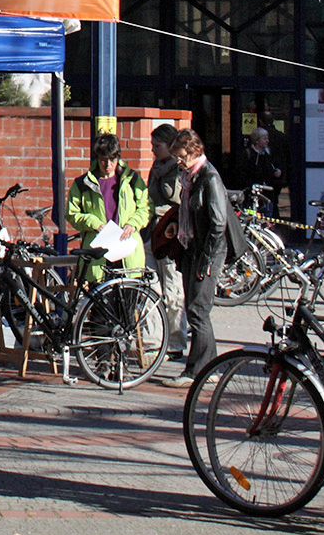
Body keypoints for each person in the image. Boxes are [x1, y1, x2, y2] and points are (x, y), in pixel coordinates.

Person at [162, 129, 231, 389]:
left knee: (197, 311)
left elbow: (217, 224)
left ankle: (195, 371)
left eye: (180, 156)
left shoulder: (209, 178)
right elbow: (189, 209)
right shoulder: (191, 176)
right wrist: (177, 226)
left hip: (208, 252)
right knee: (196, 308)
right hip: (192, 246)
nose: (177, 161)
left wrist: (206, 261)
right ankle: (210, 367)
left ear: (193, 152)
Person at [66, 133, 150, 284]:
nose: (108, 165)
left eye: (112, 160)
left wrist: (133, 223)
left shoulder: (132, 179)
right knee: (98, 304)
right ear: (97, 158)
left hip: (127, 255)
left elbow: (146, 207)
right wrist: (94, 223)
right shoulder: (82, 184)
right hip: (98, 257)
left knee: (127, 305)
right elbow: (72, 214)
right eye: (103, 160)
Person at [145, 124, 188, 362]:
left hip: (169, 233)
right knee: (150, 287)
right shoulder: (156, 166)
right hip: (151, 231)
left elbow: (175, 198)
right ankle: (154, 340)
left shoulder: (179, 169)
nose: (153, 150)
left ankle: (174, 342)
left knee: (172, 289)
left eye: (157, 146)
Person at [239, 127, 283, 216]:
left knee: (267, 220)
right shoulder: (248, 155)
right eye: (264, 138)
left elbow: (275, 166)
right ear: (257, 141)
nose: (267, 141)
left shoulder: (269, 154)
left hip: (267, 196)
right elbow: (242, 174)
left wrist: (277, 172)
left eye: (267, 138)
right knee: (252, 219)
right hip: (252, 197)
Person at [259, 109, 290, 218]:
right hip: (279, 175)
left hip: (266, 176)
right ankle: (275, 223)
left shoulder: (260, 137)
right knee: (273, 201)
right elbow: (287, 155)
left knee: (266, 202)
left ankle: (271, 224)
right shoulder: (280, 136)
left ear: (261, 121)